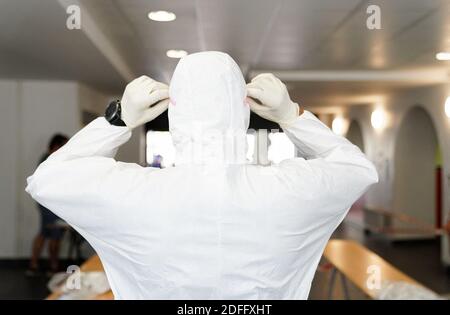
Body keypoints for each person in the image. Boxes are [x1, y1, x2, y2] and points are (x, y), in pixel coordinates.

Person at [26, 52, 378, 299]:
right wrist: (292, 115)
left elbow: (46, 179)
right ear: (244, 109)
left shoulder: (135, 193)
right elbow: (357, 169)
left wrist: (118, 120)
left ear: (174, 112)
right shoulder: (286, 189)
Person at [26, 134, 68, 276]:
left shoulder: (46, 158)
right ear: (56, 146)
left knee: (44, 233)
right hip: (50, 203)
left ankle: (33, 265)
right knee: (54, 235)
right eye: (63, 145)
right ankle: (53, 267)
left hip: (45, 203)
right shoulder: (51, 160)